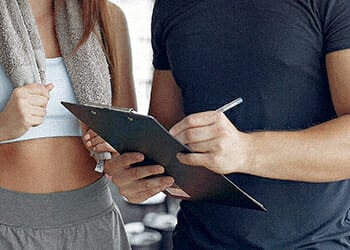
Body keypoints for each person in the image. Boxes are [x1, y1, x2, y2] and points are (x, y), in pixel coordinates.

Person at [84, 0, 350, 249]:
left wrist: (246, 151)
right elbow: (166, 138)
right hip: (196, 240)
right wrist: (140, 176)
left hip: (314, 242)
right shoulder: (170, 5)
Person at [0, 0, 136, 249]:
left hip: (96, 228)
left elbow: (130, 144)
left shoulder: (107, 17)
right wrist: (2, 128)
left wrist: (114, 139)